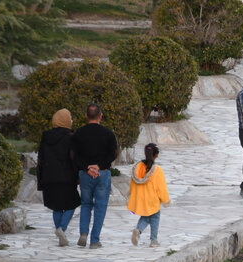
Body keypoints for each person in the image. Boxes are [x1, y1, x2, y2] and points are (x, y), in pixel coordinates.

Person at [70, 103, 119, 249]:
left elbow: (74, 155)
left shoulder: (78, 133)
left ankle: (83, 233)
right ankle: (95, 240)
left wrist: (87, 167)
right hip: (102, 173)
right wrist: (99, 165)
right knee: (100, 206)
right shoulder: (109, 134)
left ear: (86, 116)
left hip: (85, 174)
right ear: (100, 116)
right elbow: (113, 153)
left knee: (86, 204)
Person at [36, 108, 81, 247]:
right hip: (67, 177)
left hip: (49, 177)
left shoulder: (45, 137)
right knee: (71, 205)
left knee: (56, 207)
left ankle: (60, 233)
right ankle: (62, 229)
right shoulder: (71, 137)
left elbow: (40, 159)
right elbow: (74, 158)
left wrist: (40, 179)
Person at [128, 143, 170, 248]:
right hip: (153, 199)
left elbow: (133, 184)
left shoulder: (137, 168)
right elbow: (161, 187)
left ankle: (138, 230)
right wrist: (166, 200)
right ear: (157, 155)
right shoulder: (157, 170)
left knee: (146, 216)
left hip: (141, 198)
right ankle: (154, 240)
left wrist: (134, 197)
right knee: (155, 217)